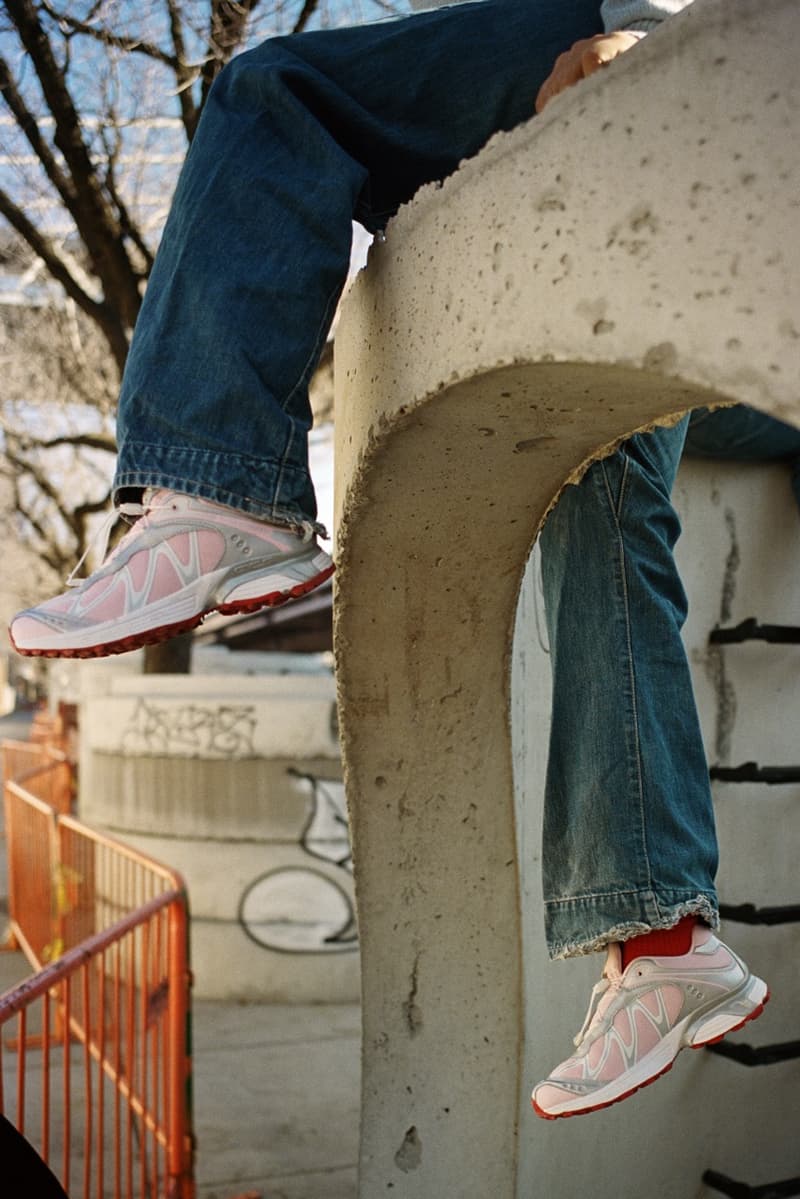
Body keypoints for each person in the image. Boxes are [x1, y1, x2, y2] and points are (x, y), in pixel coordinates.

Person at [8, 0, 786, 1119]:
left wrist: (658, 36)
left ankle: (223, 489)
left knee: (277, 95)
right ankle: (664, 942)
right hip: (685, 200)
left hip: (667, 48)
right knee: (604, 469)